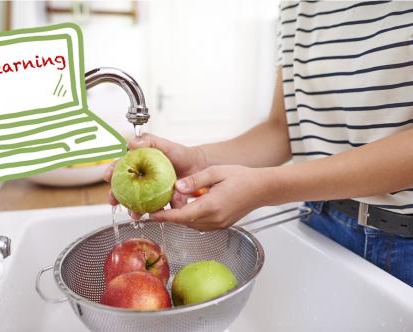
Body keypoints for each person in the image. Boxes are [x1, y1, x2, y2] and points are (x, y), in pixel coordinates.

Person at [105, 1, 413, 287]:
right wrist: (198, 159)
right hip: (321, 221)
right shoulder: (297, 5)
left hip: (404, 242)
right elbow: (281, 129)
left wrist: (267, 188)